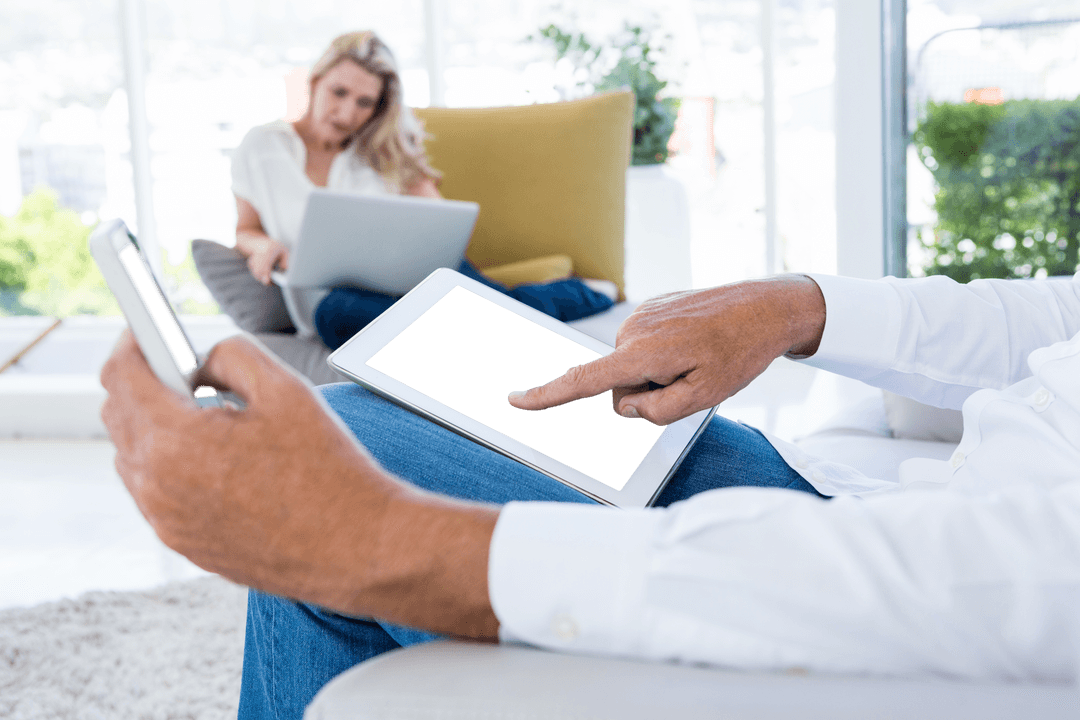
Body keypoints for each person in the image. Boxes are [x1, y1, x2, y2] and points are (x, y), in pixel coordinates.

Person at [100, 268, 1080, 720]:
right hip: (874, 508)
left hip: (892, 602)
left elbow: (1022, 583)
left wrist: (388, 541)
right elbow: (1058, 314)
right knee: (370, 407)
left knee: (340, 458)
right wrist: (801, 308)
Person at [230, 31, 613, 348]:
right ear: (316, 81)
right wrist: (263, 247)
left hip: (415, 276)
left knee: (496, 309)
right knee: (339, 315)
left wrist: (405, 158)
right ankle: (517, 318)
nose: (347, 114)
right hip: (333, 299)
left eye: (365, 103)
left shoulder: (381, 149)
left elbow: (443, 228)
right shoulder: (262, 147)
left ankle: (586, 293)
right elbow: (245, 229)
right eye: (339, 92)